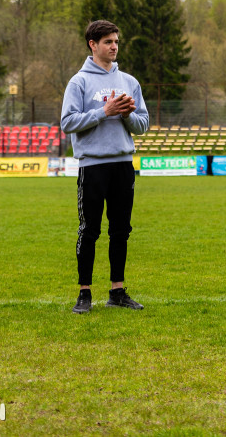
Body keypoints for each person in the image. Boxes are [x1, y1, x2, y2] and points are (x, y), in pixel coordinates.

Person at [61, 20, 150, 314]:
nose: (114, 46)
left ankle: (117, 291)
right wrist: (105, 111)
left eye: (116, 41)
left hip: (123, 166)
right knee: (90, 230)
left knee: (121, 230)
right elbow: (67, 123)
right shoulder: (79, 82)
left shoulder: (130, 82)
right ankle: (84, 293)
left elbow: (143, 125)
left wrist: (125, 115)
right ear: (93, 45)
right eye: (108, 42)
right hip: (93, 167)